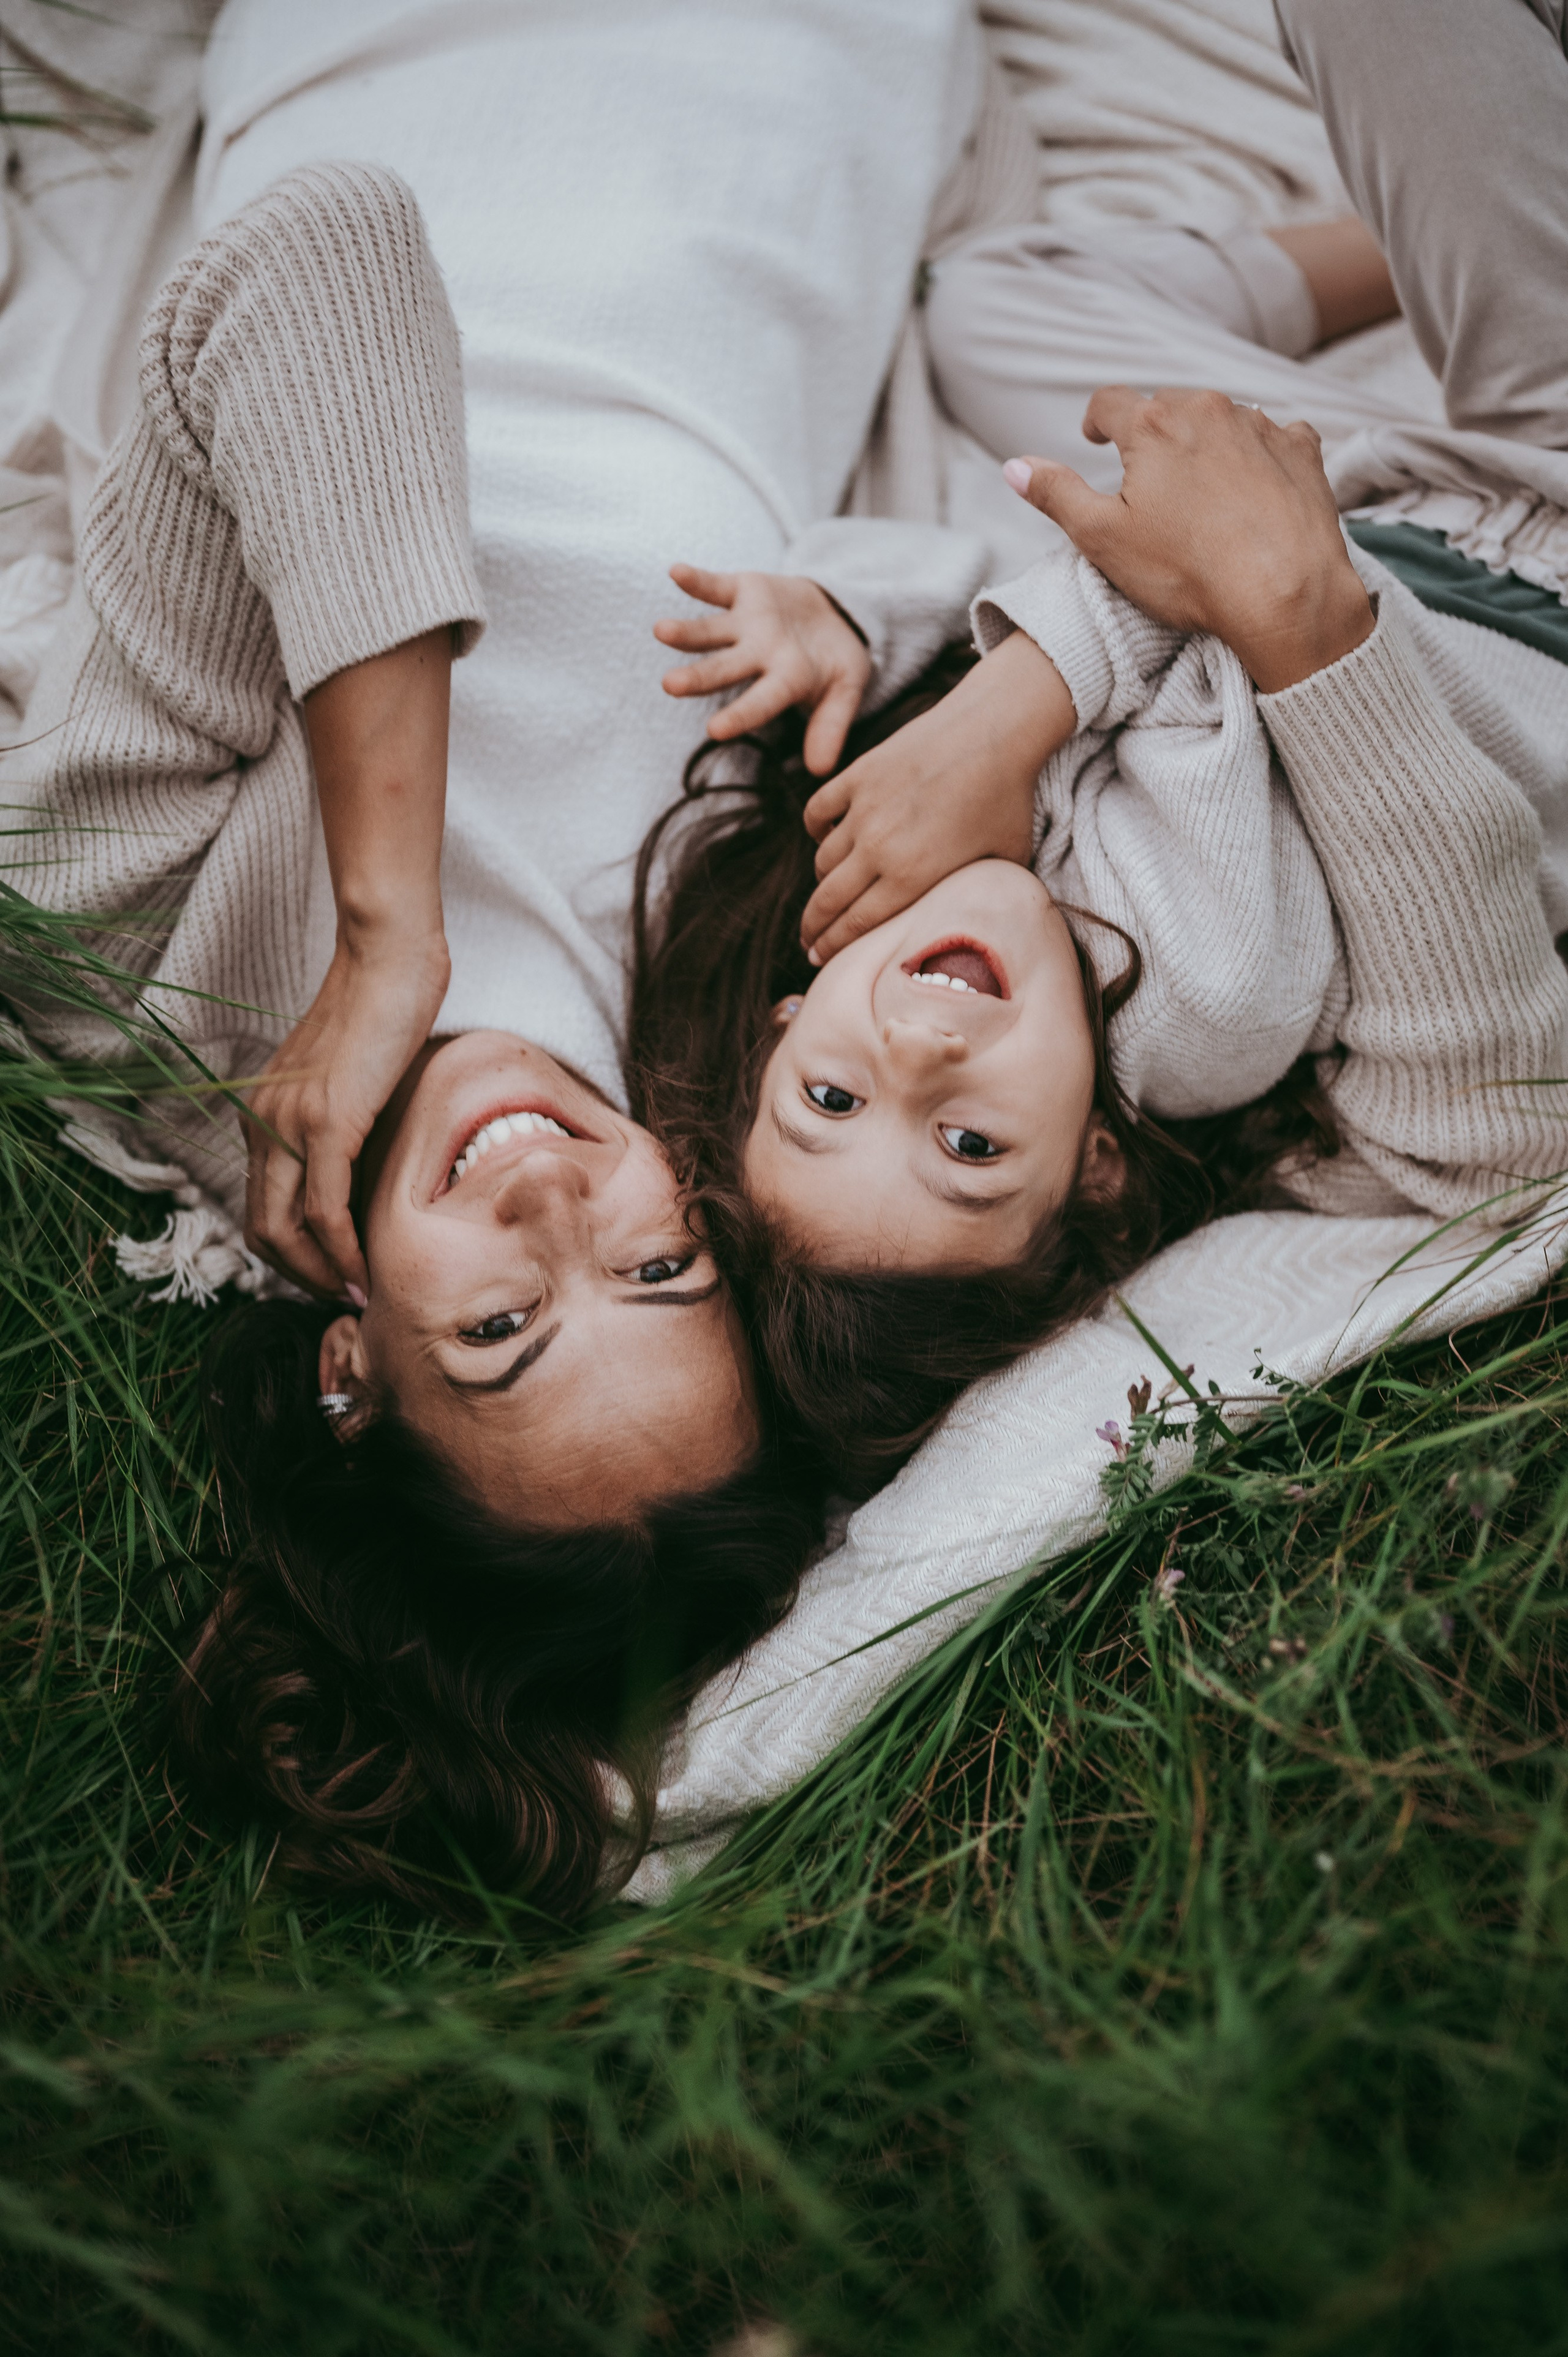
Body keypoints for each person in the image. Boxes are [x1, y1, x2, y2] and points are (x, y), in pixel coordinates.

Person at [629, 0, 1568, 1495]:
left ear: (787, 1024)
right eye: (968, 1149)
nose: (917, 1053)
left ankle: (1424, 238)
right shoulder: (1215, 1008)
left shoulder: (890, 847)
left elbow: (978, 562)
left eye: (832, 1101)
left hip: (1409, 490)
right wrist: (1023, 699)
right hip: (1527, 539)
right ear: (1096, 1166)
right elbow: (1499, 1128)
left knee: (983, 309)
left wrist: (844, 619)